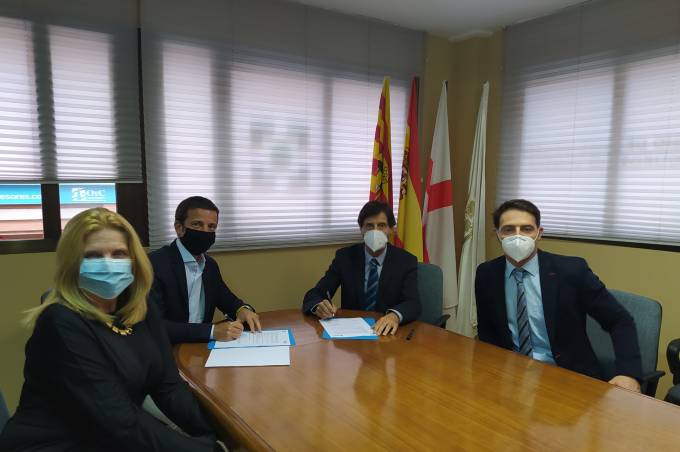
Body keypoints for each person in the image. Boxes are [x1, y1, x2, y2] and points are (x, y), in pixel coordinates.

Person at [0, 208, 223, 451]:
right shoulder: (61, 322)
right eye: (93, 255)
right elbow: (122, 423)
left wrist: (214, 435)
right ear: (72, 264)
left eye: (119, 254)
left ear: (133, 260)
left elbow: (168, 387)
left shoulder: (141, 310)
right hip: (55, 444)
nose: (108, 264)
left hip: (108, 438)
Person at [475, 199, 642, 391]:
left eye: (527, 229)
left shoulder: (572, 271)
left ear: (539, 233)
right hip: (509, 377)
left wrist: (629, 373)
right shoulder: (486, 273)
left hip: (567, 377)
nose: (518, 236)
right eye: (509, 230)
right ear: (497, 234)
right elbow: (488, 333)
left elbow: (619, 320)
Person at [148, 196, 261, 344]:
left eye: (211, 227)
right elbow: (154, 325)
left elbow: (229, 300)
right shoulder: (154, 264)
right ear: (179, 228)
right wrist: (211, 332)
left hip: (200, 348)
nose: (205, 232)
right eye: (197, 225)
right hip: (166, 349)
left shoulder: (209, 265)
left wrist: (243, 310)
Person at [302, 201, 420, 335]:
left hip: (387, 333)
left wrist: (395, 316)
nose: (375, 231)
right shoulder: (345, 257)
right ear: (361, 229)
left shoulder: (405, 261)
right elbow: (315, 294)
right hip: (351, 335)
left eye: (381, 226)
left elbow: (413, 303)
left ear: (391, 230)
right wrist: (319, 306)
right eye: (369, 226)